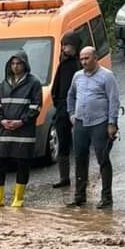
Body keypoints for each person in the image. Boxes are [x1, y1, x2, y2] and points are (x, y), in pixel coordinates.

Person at [66, 46, 120, 209]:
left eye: (87, 58)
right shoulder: (77, 76)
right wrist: (71, 114)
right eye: (81, 59)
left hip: (100, 122)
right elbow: (71, 95)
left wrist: (112, 123)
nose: (84, 62)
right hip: (81, 122)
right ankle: (79, 195)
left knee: (102, 159)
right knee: (80, 158)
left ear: (95, 58)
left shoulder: (106, 76)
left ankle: (106, 197)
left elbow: (114, 100)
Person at [0, 51, 42, 208]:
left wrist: (22, 121)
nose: (15, 67)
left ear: (25, 64)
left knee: (22, 164)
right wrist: (2, 120)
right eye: (13, 64)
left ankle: (18, 198)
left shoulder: (34, 83)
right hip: (5, 131)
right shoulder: (5, 83)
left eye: (18, 63)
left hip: (24, 132)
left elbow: (36, 106)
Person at [51, 31, 81, 189]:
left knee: (79, 145)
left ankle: (81, 178)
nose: (64, 49)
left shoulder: (79, 65)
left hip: (77, 108)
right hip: (63, 108)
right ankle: (64, 177)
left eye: (67, 45)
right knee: (63, 143)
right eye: (63, 45)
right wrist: (57, 102)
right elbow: (57, 86)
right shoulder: (63, 63)